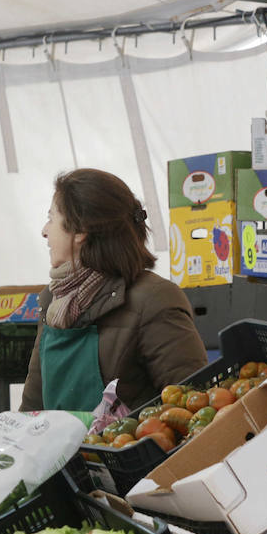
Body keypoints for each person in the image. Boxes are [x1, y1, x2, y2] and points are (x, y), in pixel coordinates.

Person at [21, 169, 206, 412]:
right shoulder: (53, 300)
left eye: (51, 218)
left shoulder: (154, 299)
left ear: (80, 231)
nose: (45, 230)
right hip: (60, 450)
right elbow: (32, 409)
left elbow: (194, 404)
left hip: (123, 449)